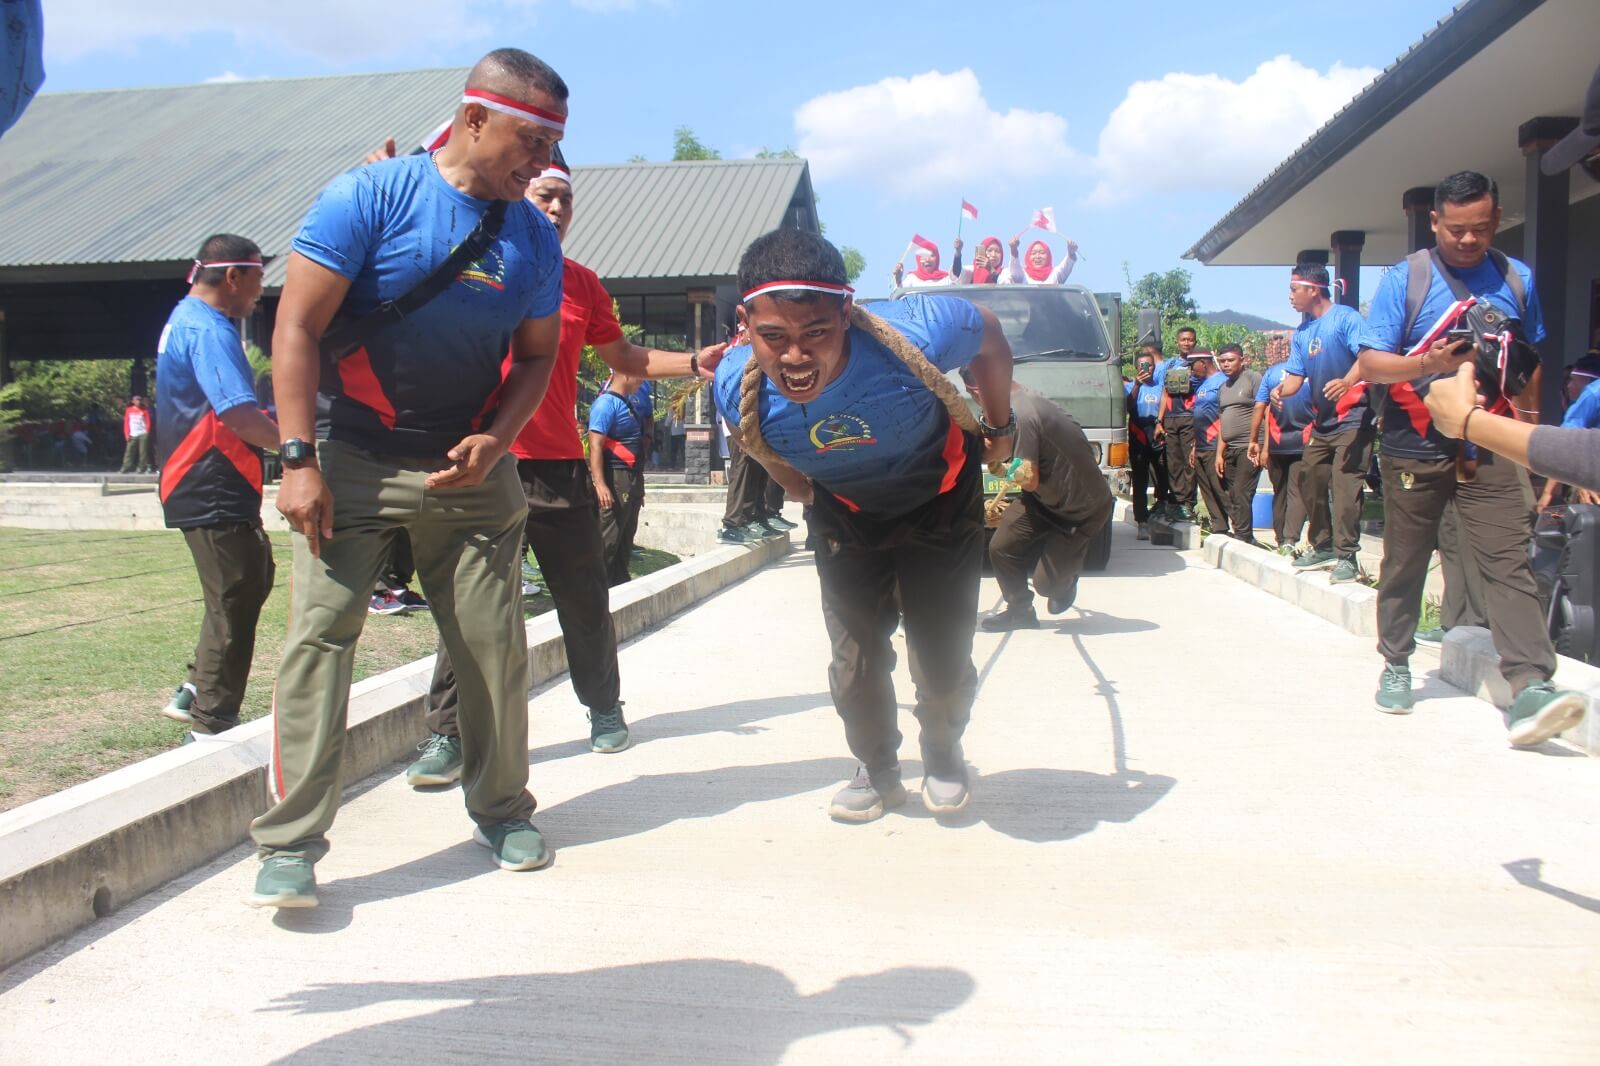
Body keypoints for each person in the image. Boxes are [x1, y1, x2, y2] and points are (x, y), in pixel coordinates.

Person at [249, 49, 570, 909]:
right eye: (530, 139)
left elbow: (537, 358)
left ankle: (501, 809)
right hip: (348, 458)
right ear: (473, 119)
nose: (543, 162)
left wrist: (497, 440)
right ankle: (289, 843)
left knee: (494, 647)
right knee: (320, 642)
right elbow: (296, 332)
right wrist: (298, 462)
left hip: (465, 472)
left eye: (553, 145)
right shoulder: (370, 197)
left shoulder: (534, 237)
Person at [408, 147, 721, 786]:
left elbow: (624, 356)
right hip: (481, 460)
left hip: (557, 466)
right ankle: (446, 734)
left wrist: (695, 363)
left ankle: (604, 708)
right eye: (543, 195)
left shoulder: (581, 283)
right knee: (468, 605)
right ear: (517, 193)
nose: (554, 208)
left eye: (565, 199)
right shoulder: (473, 261)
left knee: (584, 598)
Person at [713, 228, 1015, 823]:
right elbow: (769, 457)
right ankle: (877, 769)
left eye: (816, 333)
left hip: (940, 498)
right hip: (845, 514)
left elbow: (991, 333)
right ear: (746, 325)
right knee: (853, 665)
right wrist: (811, 488)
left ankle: (943, 752)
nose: (795, 357)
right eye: (773, 338)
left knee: (943, 658)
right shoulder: (734, 385)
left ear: (847, 311)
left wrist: (999, 430)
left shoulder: (922, 329)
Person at [1354, 169, 1583, 742]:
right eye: (1455, 230)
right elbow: (1374, 363)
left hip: (1491, 436)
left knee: (1508, 557)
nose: (1467, 240)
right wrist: (1429, 363)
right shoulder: (1406, 278)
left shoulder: (1516, 277)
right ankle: (1398, 661)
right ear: (1435, 222)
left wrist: (1531, 437)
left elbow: (1527, 361)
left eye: (1480, 229)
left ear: (1496, 220)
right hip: (1415, 438)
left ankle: (1530, 684)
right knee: (1406, 559)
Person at [153, 235, 280, 740]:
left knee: (250, 581)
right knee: (235, 597)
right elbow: (238, 413)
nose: (258, 294)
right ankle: (210, 722)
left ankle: (193, 689)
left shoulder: (185, 318)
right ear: (234, 276)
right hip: (211, 480)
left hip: (205, 479)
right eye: (257, 280)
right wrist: (296, 449)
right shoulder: (209, 329)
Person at [976, 373, 1113, 631]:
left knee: (1046, 586)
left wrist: (1003, 469)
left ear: (979, 390)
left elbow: (1028, 478)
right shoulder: (1019, 402)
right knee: (1001, 547)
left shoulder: (1024, 414)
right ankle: (1020, 611)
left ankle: (1067, 577)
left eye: (976, 398)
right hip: (1044, 500)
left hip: (1081, 510)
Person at [1275, 264, 1372, 581]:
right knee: (1309, 480)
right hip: (1322, 424)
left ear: (1313, 288)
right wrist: (1279, 391)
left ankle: (1347, 556)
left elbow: (1368, 358)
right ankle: (1323, 545)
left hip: (1353, 417)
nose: (1289, 296)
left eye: (1293, 289)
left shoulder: (1345, 319)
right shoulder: (1303, 332)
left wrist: (1346, 381)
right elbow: (1294, 379)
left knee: (1345, 490)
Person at [1248, 339, 1313, 552]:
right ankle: (1289, 540)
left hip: (1276, 443)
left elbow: (1260, 408)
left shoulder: (1271, 374)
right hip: (1303, 442)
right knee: (1297, 492)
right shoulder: (1309, 373)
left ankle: (1280, 538)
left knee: (1280, 492)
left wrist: (1255, 441)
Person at [589, 370, 649, 585]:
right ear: (624, 374)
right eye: (638, 375)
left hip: (632, 479)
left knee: (626, 535)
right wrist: (600, 484)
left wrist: (638, 489)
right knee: (610, 535)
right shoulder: (605, 404)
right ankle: (596, 586)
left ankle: (620, 583)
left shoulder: (627, 403)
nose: (642, 381)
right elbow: (595, 445)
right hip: (616, 477)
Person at [1212, 343, 1262, 545]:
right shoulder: (1223, 387)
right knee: (1231, 493)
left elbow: (1263, 410)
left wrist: (1260, 444)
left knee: (1242, 491)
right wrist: (1219, 454)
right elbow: (1223, 421)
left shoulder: (1253, 378)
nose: (1226, 364)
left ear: (1243, 360)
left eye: (1231, 360)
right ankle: (1240, 532)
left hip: (1248, 447)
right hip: (1229, 448)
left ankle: (1244, 537)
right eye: (1222, 361)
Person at [1156, 327, 1205, 522]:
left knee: (1189, 462)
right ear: (1177, 342)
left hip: (1189, 418)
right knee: (1174, 463)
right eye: (1183, 340)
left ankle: (1188, 504)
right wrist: (1160, 420)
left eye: (1190, 340)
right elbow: (1165, 393)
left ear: (1195, 341)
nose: (1187, 343)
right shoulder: (1171, 365)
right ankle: (1175, 502)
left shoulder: (1201, 364)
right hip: (1171, 418)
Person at [1125, 346, 1170, 539]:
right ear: (1137, 367)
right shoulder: (1130, 387)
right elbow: (1128, 407)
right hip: (1138, 433)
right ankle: (1141, 521)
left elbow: (1166, 405)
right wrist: (1136, 385)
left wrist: (1160, 424)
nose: (1147, 369)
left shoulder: (1161, 386)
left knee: (1163, 474)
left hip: (1157, 431)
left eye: (1150, 366)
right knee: (1141, 478)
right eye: (1143, 366)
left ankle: (1161, 509)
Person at [1186, 352, 1228, 533]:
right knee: (1206, 489)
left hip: (1214, 444)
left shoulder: (1222, 382)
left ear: (1203, 363)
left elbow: (1225, 415)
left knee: (1219, 488)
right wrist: (1194, 445)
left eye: (1192, 365)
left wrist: (1221, 447)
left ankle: (1241, 528)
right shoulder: (1201, 385)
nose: (1190, 370)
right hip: (1201, 444)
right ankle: (1219, 526)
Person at [1005, 237, 1077, 285]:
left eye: (1042, 253)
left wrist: (1071, 253)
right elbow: (1014, 268)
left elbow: (1065, 267)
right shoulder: (1023, 274)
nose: (1038, 257)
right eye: (1033, 253)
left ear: (1048, 256)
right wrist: (1013, 249)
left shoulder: (1054, 274)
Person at [120, 395, 154, 473]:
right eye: (136, 400)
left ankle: (141, 467)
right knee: (129, 451)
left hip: (142, 433)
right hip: (132, 433)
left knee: (143, 452)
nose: (138, 402)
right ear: (133, 401)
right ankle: (126, 467)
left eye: (139, 400)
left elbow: (148, 421)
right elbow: (126, 423)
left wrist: (147, 431)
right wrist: (127, 434)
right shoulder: (129, 410)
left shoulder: (144, 410)